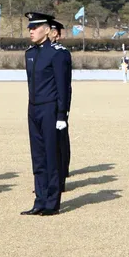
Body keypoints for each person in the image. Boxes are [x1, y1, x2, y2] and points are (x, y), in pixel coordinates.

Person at [22, 12, 70, 216]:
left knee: (51, 156)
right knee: (38, 156)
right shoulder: (30, 53)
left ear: (48, 29)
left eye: (35, 27)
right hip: (34, 108)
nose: (31, 31)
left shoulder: (57, 54)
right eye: (30, 28)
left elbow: (63, 87)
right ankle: (40, 199)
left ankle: (52, 202)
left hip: (51, 108)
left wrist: (62, 115)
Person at [47, 20, 73, 192]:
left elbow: (63, 83)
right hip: (46, 103)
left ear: (55, 33)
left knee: (59, 142)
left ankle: (61, 176)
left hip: (58, 103)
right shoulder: (41, 52)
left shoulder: (61, 53)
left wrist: (63, 109)